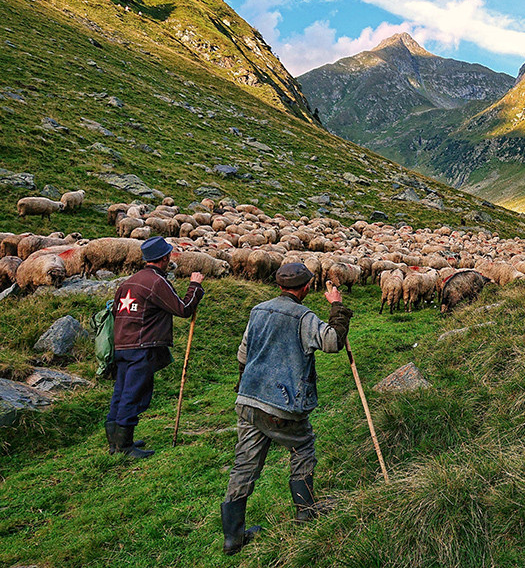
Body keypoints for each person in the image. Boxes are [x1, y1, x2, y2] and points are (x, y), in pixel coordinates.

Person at [221, 263, 352, 556]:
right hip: (283, 403)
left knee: (245, 463)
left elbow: (243, 354)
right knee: (302, 447)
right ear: (305, 288)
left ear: (280, 286)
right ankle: (305, 513)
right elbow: (332, 342)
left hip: (249, 400)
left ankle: (233, 536)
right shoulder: (303, 316)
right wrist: (338, 310)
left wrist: (246, 386)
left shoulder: (258, 310)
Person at [105, 236, 204, 459]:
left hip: (122, 344)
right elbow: (183, 308)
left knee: (120, 391)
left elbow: (115, 313)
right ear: (165, 257)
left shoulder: (127, 282)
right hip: (142, 346)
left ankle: (116, 441)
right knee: (133, 393)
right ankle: (125, 446)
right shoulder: (156, 282)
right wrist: (195, 286)